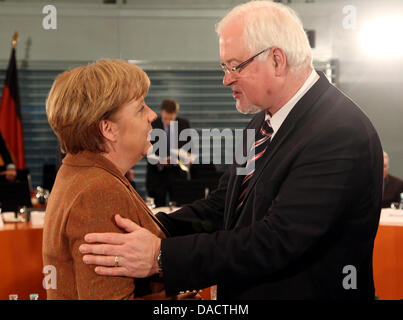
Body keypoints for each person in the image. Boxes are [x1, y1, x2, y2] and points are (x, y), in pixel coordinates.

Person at [79, 1, 383, 299]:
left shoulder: (338, 131)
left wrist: (161, 256)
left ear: (277, 60)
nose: (226, 79)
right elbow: (223, 207)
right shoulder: (258, 125)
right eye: (224, 67)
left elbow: (276, 241)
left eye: (235, 66)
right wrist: (155, 228)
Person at [43, 59, 179, 299]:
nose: (152, 115)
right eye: (140, 108)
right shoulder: (97, 191)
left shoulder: (81, 172)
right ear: (107, 128)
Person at [146, 99, 191, 207]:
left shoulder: (184, 124)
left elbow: (189, 149)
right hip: (157, 174)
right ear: (162, 112)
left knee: (179, 207)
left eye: (171, 119)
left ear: (176, 113)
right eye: (166, 118)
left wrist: (186, 157)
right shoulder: (153, 125)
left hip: (178, 174)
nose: (169, 122)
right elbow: (146, 149)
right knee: (157, 207)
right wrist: (157, 160)